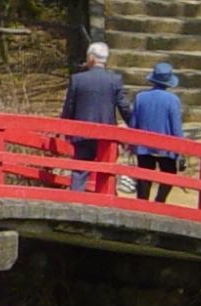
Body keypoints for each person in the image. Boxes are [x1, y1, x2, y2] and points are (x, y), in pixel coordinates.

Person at [59, 41, 131, 192]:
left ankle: (75, 203)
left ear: (91, 58)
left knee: (79, 172)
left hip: (82, 133)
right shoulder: (115, 80)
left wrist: (62, 128)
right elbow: (123, 106)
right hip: (107, 134)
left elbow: (69, 107)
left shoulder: (78, 79)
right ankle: (104, 205)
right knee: (106, 171)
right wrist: (133, 125)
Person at [129, 62, 183, 202]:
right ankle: (159, 201)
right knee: (169, 174)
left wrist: (130, 143)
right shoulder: (173, 100)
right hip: (166, 147)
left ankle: (142, 204)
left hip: (143, 146)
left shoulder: (140, 97)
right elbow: (176, 127)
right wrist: (180, 149)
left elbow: (134, 123)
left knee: (144, 176)